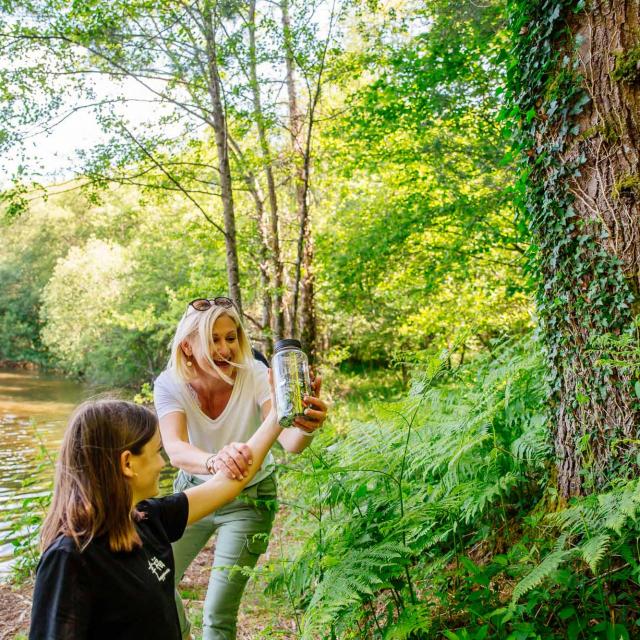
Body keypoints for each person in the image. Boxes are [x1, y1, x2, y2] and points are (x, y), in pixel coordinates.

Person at [28, 397, 283, 640]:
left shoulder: (147, 518)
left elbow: (226, 485)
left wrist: (277, 414)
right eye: (156, 452)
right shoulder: (70, 558)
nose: (163, 463)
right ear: (127, 464)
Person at [153, 297, 328, 640]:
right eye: (213, 340)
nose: (225, 348)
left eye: (230, 338)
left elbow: (290, 442)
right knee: (154, 578)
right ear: (187, 347)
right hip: (194, 495)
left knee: (217, 613)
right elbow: (174, 448)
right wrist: (214, 461)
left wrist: (306, 425)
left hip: (249, 498)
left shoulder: (256, 375)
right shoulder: (170, 383)